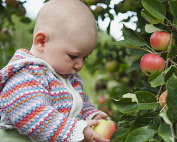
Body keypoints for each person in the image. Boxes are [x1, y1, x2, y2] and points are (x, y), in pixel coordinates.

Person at [0, 0, 111, 141]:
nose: (80, 65)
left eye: (85, 57)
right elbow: (33, 116)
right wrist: (74, 131)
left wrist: (91, 116)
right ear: (42, 42)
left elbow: (79, 105)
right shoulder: (24, 75)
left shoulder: (69, 78)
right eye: (73, 56)